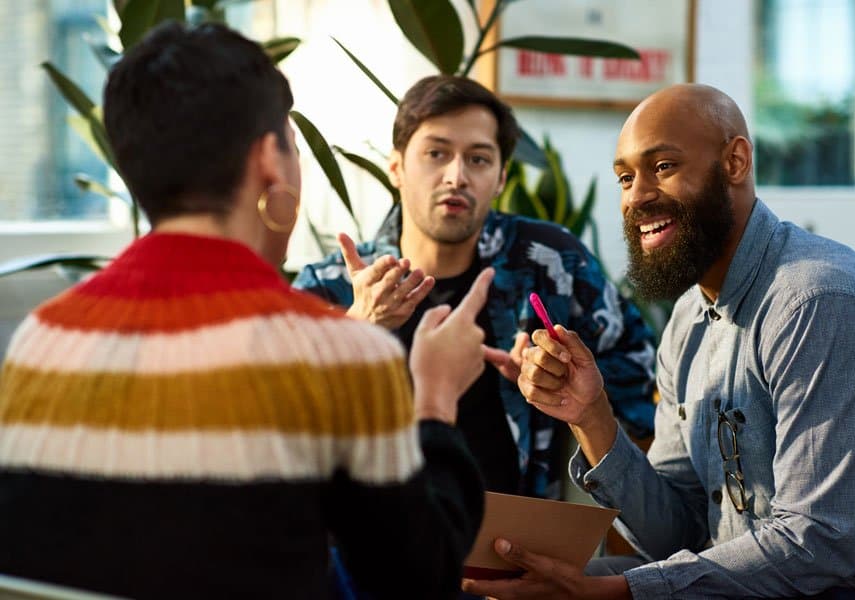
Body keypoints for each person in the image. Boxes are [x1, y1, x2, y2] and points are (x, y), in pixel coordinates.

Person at [0, 22, 491, 600]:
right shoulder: (342, 355)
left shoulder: (40, 337)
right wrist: (434, 397)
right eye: (292, 143)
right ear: (268, 161)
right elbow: (415, 583)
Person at [463, 83, 855, 599]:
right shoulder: (687, 321)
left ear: (734, 162)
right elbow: (678, 536)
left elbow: (816, 544)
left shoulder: (819, 302)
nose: (638, 196)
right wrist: (590, 415)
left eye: (663, 167)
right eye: (625, 177)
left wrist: (614, 592)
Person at [294, 74, 657, 499]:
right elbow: (266, 427)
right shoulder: (332, 287)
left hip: (517, 545)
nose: (456, 176)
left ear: (501, 178)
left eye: (479, 159)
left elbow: (643, 371)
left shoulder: (549, 262)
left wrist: (562, 379)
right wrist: (356, 328)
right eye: (436, 153)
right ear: (396, 167)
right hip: (372, 547)